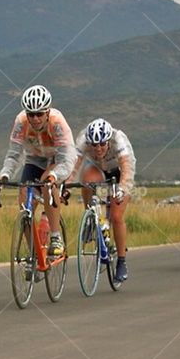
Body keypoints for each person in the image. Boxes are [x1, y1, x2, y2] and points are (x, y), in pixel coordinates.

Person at [0, 85, 77, 258]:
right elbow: (14, 154)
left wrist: (55, 175)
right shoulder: (21, 122)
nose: (35, 118)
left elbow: (67, 159)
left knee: (47, 181)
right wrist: (5, 174)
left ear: (47, 112)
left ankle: (56, 237)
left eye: (39, 114)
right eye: (31, 114)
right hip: (34, 159)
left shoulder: (57, 122)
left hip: (57, 159)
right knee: (24, 200)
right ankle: (34, 253)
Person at [66, 118, 136, 282]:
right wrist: (66, 185)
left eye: (102, 144)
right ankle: (90, 217)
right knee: (87, 181)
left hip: (118, 171)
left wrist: (122, 189)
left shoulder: (119, 140)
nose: (98, 148)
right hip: (98, 168)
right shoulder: (83, 140)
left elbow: (127, 170)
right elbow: (73, 166)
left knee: (117, 216)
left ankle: (121, 260)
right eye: (94, 145)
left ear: (108, 141)